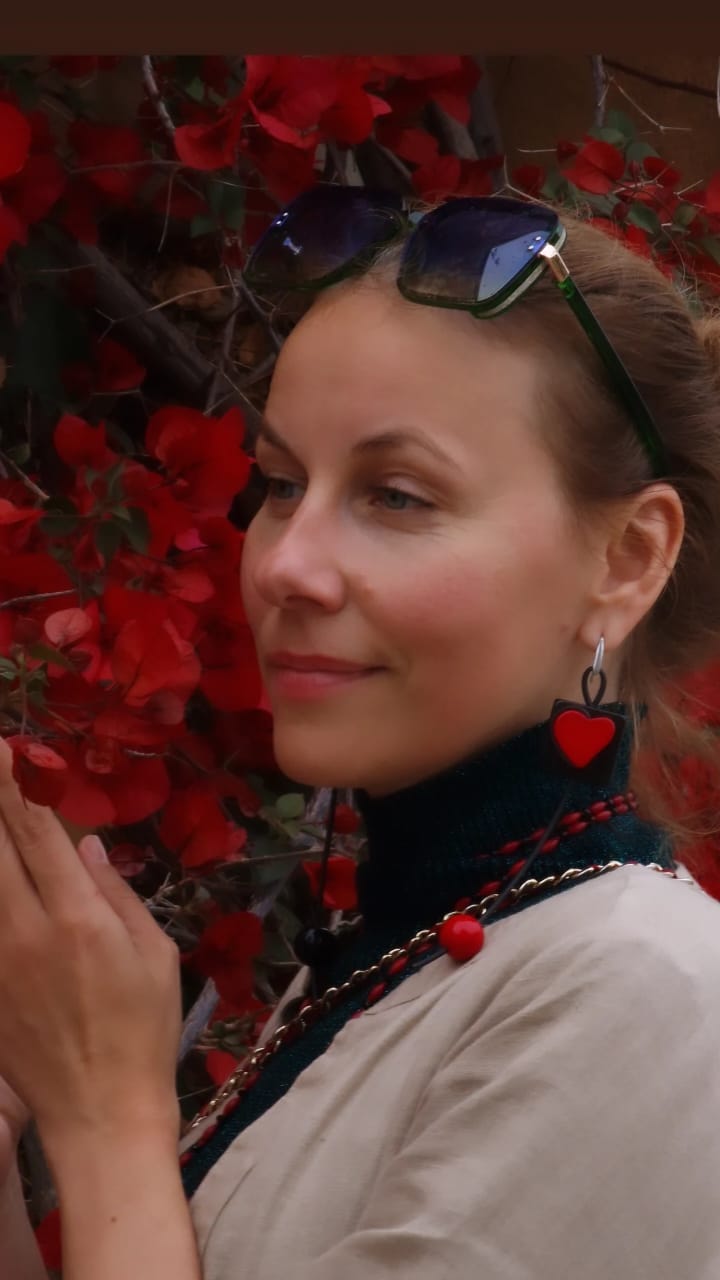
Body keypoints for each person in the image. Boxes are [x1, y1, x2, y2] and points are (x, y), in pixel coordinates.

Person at [2, 189, 720, 1280]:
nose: (285, 562)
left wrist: (108, 1119)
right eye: (283, 483)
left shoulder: (642, 991)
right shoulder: (423, 944)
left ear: (627, 558)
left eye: (397, 495)